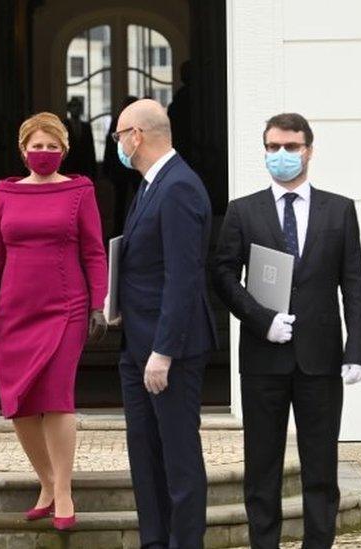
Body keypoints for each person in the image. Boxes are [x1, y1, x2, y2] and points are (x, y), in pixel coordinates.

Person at [212, 113, 361, 548]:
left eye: (291, 147)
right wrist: (262, 319)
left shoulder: (338, 209)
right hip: (264, 359)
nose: (282, 155)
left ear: (309, 150)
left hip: (321, 358)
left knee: (320, 467)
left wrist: (357, 349)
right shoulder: (243, 210)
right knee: (262, 468)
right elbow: (223, 276)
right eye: (273, 148)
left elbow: (354, 284)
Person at [0, 112, 108, 530]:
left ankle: (64, 491)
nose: (44, 153)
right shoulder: (4, 192)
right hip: (15, 309)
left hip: (65, 308)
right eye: (37, 146)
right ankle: (46, 483)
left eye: (52, 147)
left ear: (64, 150)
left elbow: (94, 251)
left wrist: (98, 304)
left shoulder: (80, 190)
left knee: (56, 396)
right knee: (20, 403)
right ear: (23, 150)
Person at [113, 99, 217, 548]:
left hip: (166, 352)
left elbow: (183, 276)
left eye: (119, 135)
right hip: (137, 347)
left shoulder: (179, 187)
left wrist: (164, 351)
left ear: (137, 135)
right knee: (146, 455)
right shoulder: (151, 185)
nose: (116, 144)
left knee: (178, 459)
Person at [103, 96, 142, 237]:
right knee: (120, 203)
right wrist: (107, 168)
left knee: (140, 202)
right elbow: (110, 146)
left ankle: (137, 231)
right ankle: (118, 232)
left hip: (137, 169)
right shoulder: (117, 122)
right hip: (120, 169)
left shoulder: (140, 125)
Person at [61, 97, 97, 180]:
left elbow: (91, 148)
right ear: (69, 109)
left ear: (81, 109)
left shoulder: (86, 126)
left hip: (83, 167)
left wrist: (94, 169)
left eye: (78, 106)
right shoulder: (63, 126)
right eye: (73, 106)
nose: (76, 109)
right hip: (68, 167)